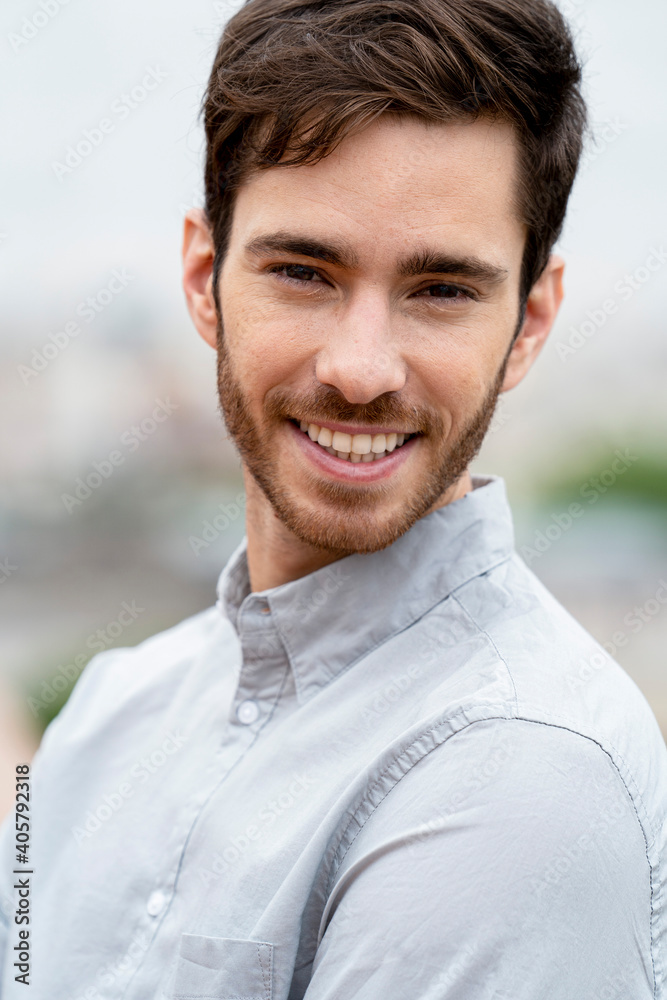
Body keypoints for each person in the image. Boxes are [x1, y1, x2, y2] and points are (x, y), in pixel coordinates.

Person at [1, 0, 666, 996]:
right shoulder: (112, 711)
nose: (360, 369)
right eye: (304, 272)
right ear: (202, 278)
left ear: (529, 323)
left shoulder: (521, 778)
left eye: (440, 289)